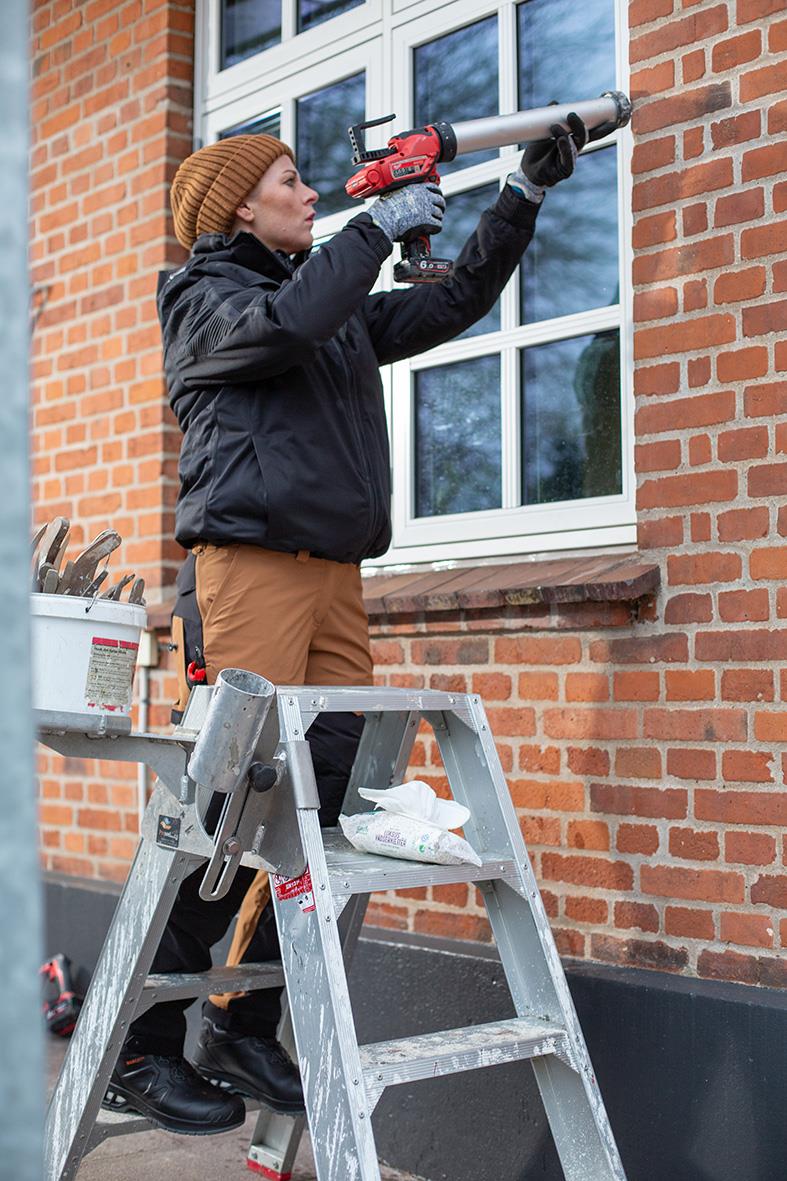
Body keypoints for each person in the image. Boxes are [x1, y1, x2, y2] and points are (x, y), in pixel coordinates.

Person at [102, 114, 589, 1135]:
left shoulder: (325, 312)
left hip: (332, 582)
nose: (311, 191)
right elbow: (282, 325)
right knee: (230, 807)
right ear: (240, 203)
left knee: (321, 809)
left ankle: (244, 1019)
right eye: (290, 180)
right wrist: (372, 232)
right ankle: (139, 1052)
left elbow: (449, 302)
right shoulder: (204, 298)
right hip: (251, 576)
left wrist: (521, 199)